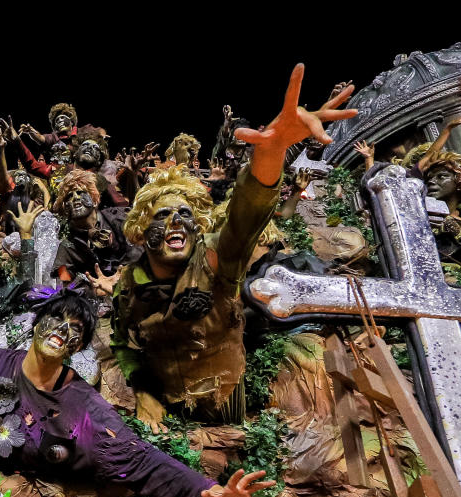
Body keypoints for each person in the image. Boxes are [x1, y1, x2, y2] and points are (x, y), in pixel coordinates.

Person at [111, 64, 357, 431]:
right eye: (163, 215)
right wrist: (143, 392)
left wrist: (271, 152)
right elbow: (123, 344)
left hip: (232, 408)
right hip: (165, 414)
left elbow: (247, 213)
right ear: (141, 229)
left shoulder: (214, 257)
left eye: (185, 214)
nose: (177, 221)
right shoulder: (129, 283)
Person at [0, 290, 277, 497]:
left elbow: (140, 460)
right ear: (38, 322)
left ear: (77, 346)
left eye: (75, 328)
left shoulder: (84, 410)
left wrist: (210, 494)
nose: (63, 329)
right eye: (57, 318)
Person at [51, 169, 140, 281]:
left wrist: (121, 278)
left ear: (94, 200)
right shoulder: (67, 246)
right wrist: (91, 288)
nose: (76, 198)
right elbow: (63, 281)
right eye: (69, 196)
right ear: (65, 208)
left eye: (80, 193)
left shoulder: (119, 218)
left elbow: (140, 251)